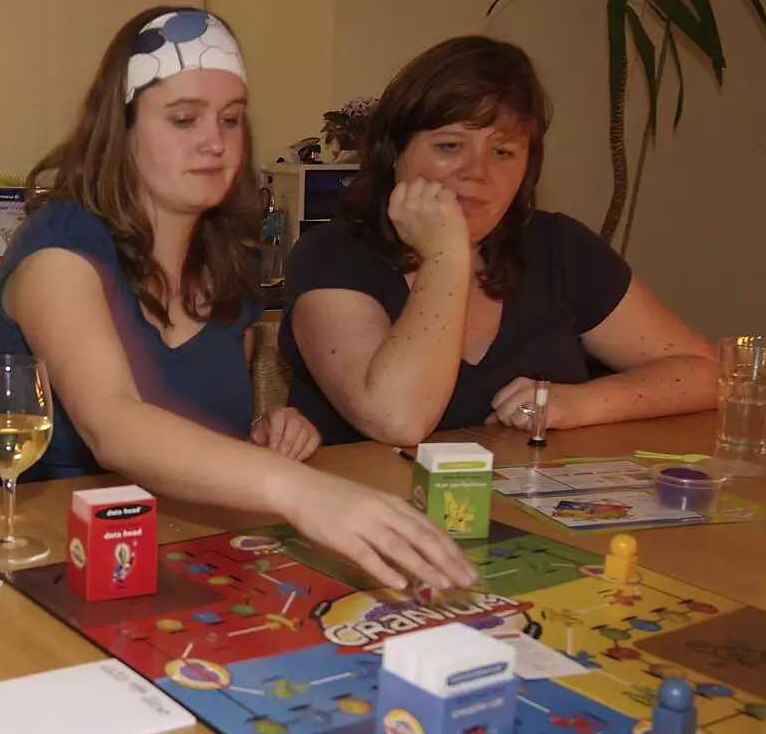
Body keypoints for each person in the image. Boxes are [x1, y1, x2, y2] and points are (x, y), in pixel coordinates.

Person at [0, 6, 476, 594]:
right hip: (9, 552)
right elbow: (114, 424)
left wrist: (265, 432)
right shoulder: (59, 248)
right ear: (121, 128)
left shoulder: (230, 263)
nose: (214, 143)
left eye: (230, 120)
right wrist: (297, 487)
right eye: (183, 119)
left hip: (160, 542)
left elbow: (191, 428)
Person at [283, 35, 715, 447]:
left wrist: (581, 403)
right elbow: (398, 418)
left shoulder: (558, 245)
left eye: (503, 152)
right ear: (395, 152)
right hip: (366, 510)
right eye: (450, 145)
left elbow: (707, 373)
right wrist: (446, 256)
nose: (478, 171)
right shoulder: (330, 256)